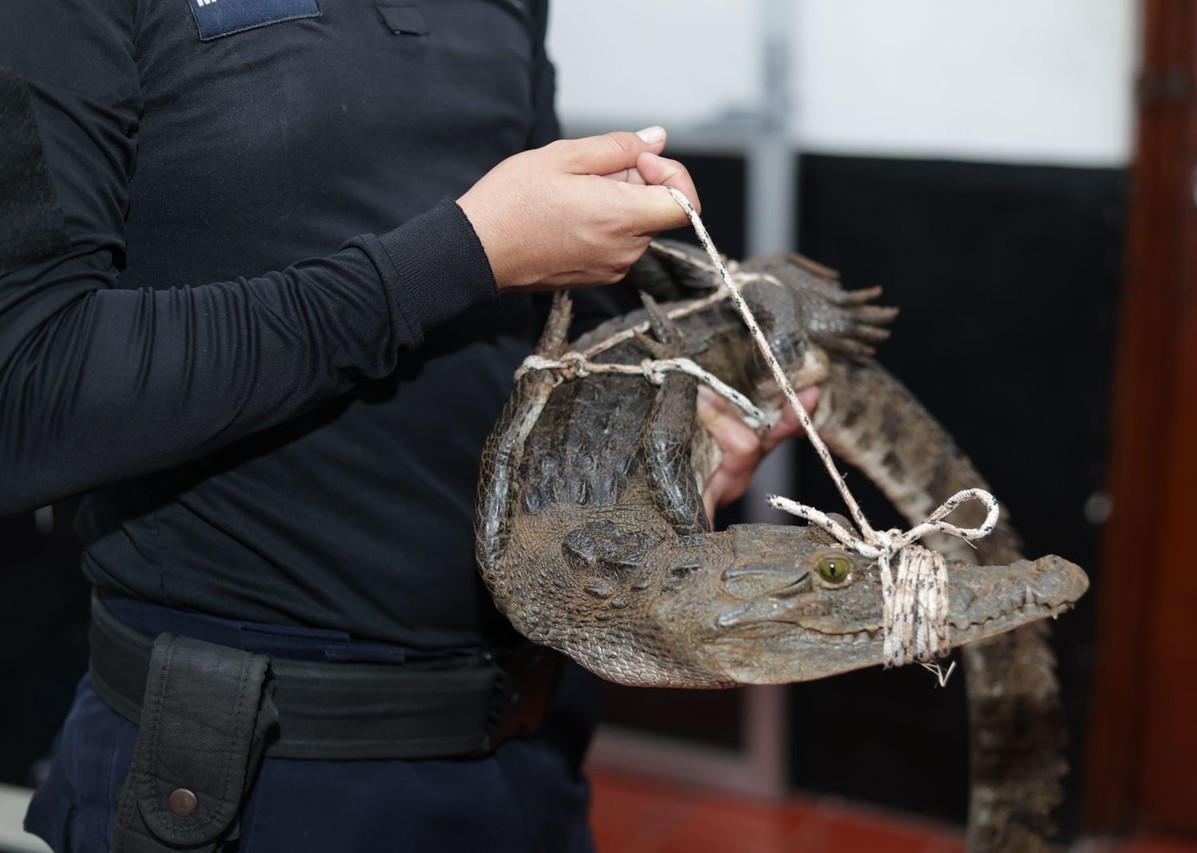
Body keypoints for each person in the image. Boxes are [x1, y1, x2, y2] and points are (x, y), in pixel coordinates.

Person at [0, 1, 814, 850]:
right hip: (252, 774)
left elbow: (534, 307)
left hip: (528, 750)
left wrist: (669, 446)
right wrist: (465, 252)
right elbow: (27, 393)